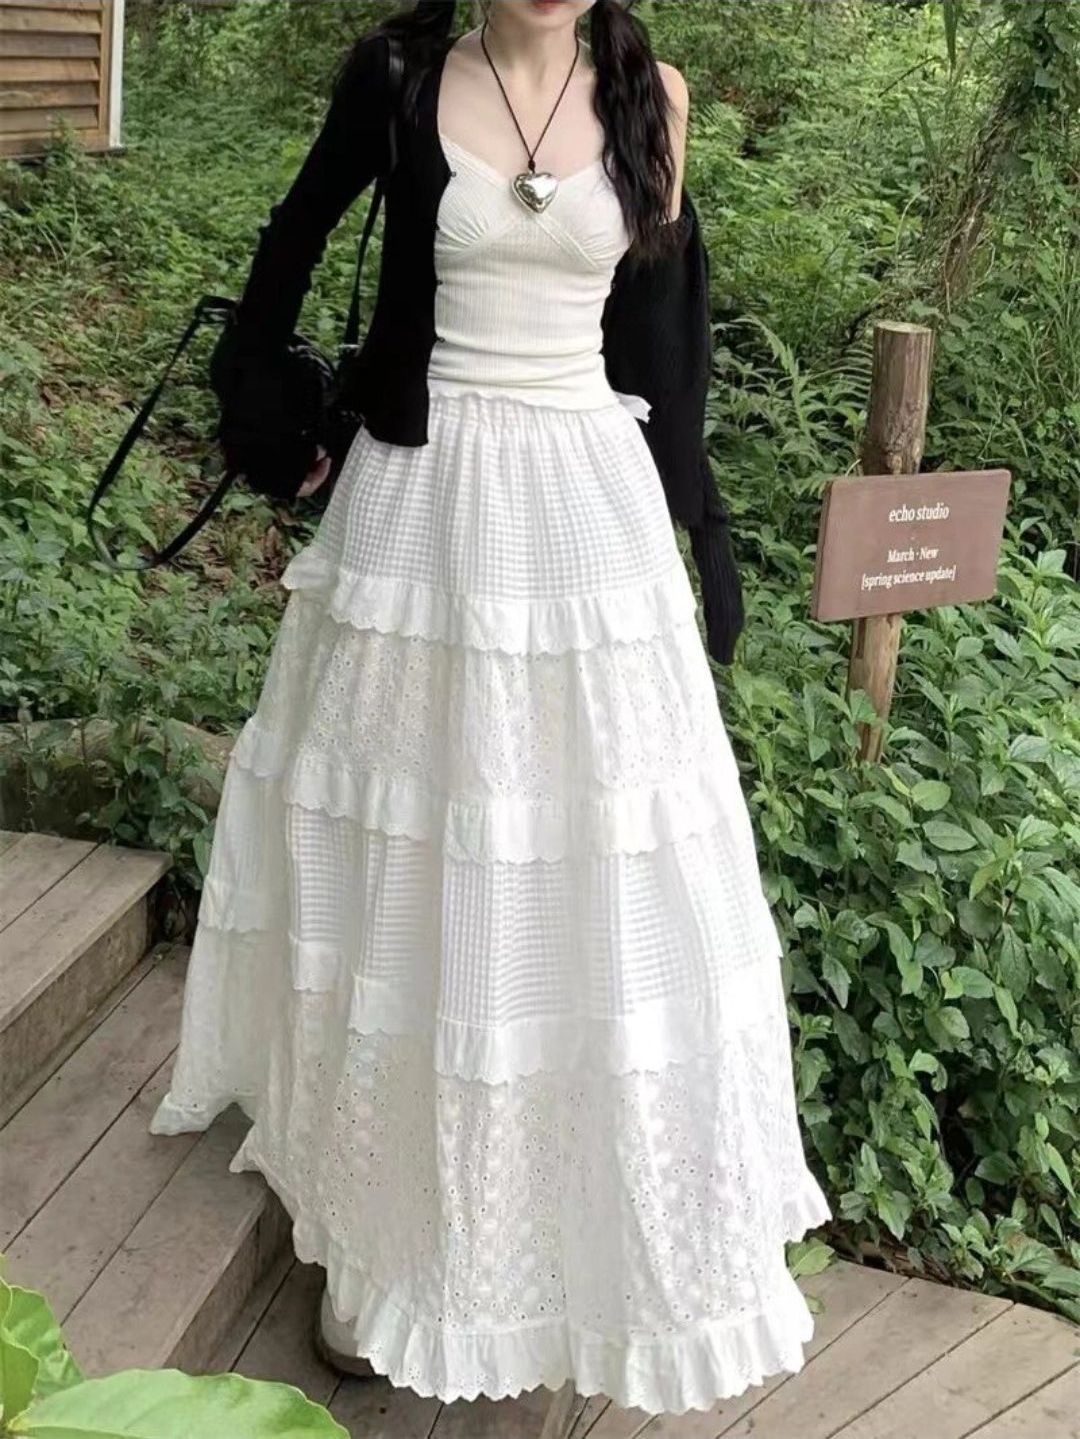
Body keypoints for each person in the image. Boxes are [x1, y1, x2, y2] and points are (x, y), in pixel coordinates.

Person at [151, 0, 830, 1416]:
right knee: (407, 871)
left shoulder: (653, 94)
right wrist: (275, 421)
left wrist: (701, 532)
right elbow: (289, 244)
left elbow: (668, 340)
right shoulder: (400, 77)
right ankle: (383, 1243)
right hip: (422, 505)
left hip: (588, 516)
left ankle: (576, 1243)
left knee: (595, 878)